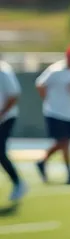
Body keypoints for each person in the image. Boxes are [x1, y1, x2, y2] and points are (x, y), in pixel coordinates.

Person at [34, 44, 70, 184]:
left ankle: (44, 162)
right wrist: (46, 99)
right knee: (63, 142)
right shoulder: (56, 70)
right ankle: (68, 172)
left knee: (65, 143)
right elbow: (40, 84)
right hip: (54, 111)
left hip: (69, 113)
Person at [0, 58, 24, 203]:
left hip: (6, 117)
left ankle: (17, 182)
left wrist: (2, 114)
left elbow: (14, 95)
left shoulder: (4, 70)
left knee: (0, 151)